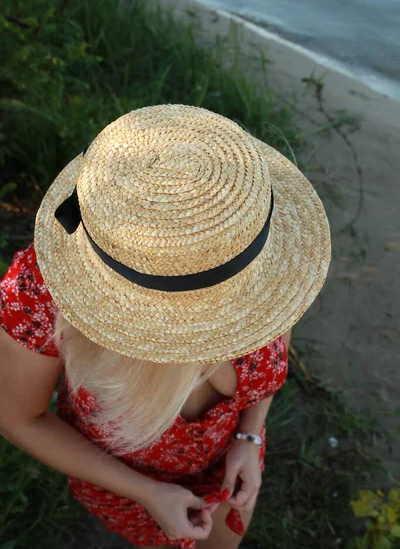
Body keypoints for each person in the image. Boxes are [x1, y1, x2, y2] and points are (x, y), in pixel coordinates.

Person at [0, 104, 331, 549]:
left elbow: (275, 323)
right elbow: (20, 419)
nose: (258, 314)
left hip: (234, 461)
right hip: (128, 485)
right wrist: (148, 493)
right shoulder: (41, 293)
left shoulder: (257, 259)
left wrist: (250, 436)